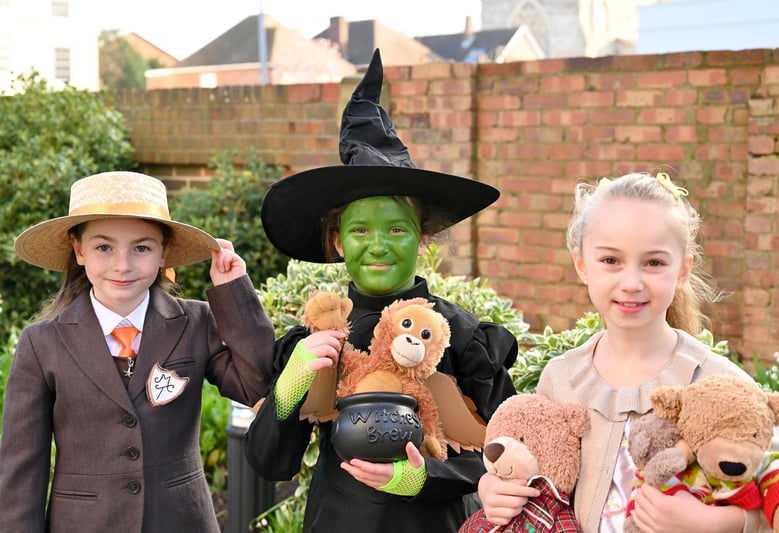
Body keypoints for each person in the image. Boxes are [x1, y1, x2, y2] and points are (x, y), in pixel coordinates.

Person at [244, 48, 519, 532]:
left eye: (396, 230)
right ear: (336, 240)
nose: (377, 246)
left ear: (423, 238)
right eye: (359, 231)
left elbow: (512, 453)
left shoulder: (464, 337)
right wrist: (291, 384)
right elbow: (271, 463)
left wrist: (426, 476)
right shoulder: (316, 338)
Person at [476, 171, 779, 533]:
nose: (631, 283)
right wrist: (494, 489)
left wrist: (725, 522)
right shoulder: (561, 378)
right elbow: (528, 459)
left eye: (654, 263)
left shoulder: (716, 382)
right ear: (582, 264)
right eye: (611, 261)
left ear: (683, 269)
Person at [0, 170, 275, 532]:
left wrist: (234, 293)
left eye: (141, 248)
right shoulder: (42, 343)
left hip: (181, 521)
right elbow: (22, 469)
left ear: (164, 252)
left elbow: (257, 385)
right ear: (78, 250)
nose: (123, 265)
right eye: (103, 247)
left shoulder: (195, 323)